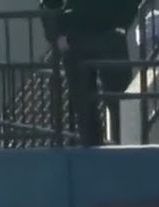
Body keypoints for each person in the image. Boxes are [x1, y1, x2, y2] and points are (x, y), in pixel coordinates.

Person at [40, 0, 140, 147]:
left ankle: (118, 148)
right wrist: (57, 34)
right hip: (83, 35)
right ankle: (109, 150)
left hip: (99, 34)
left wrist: (121, 25)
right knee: (92, 105)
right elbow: (50, 5)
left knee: (116, 101)